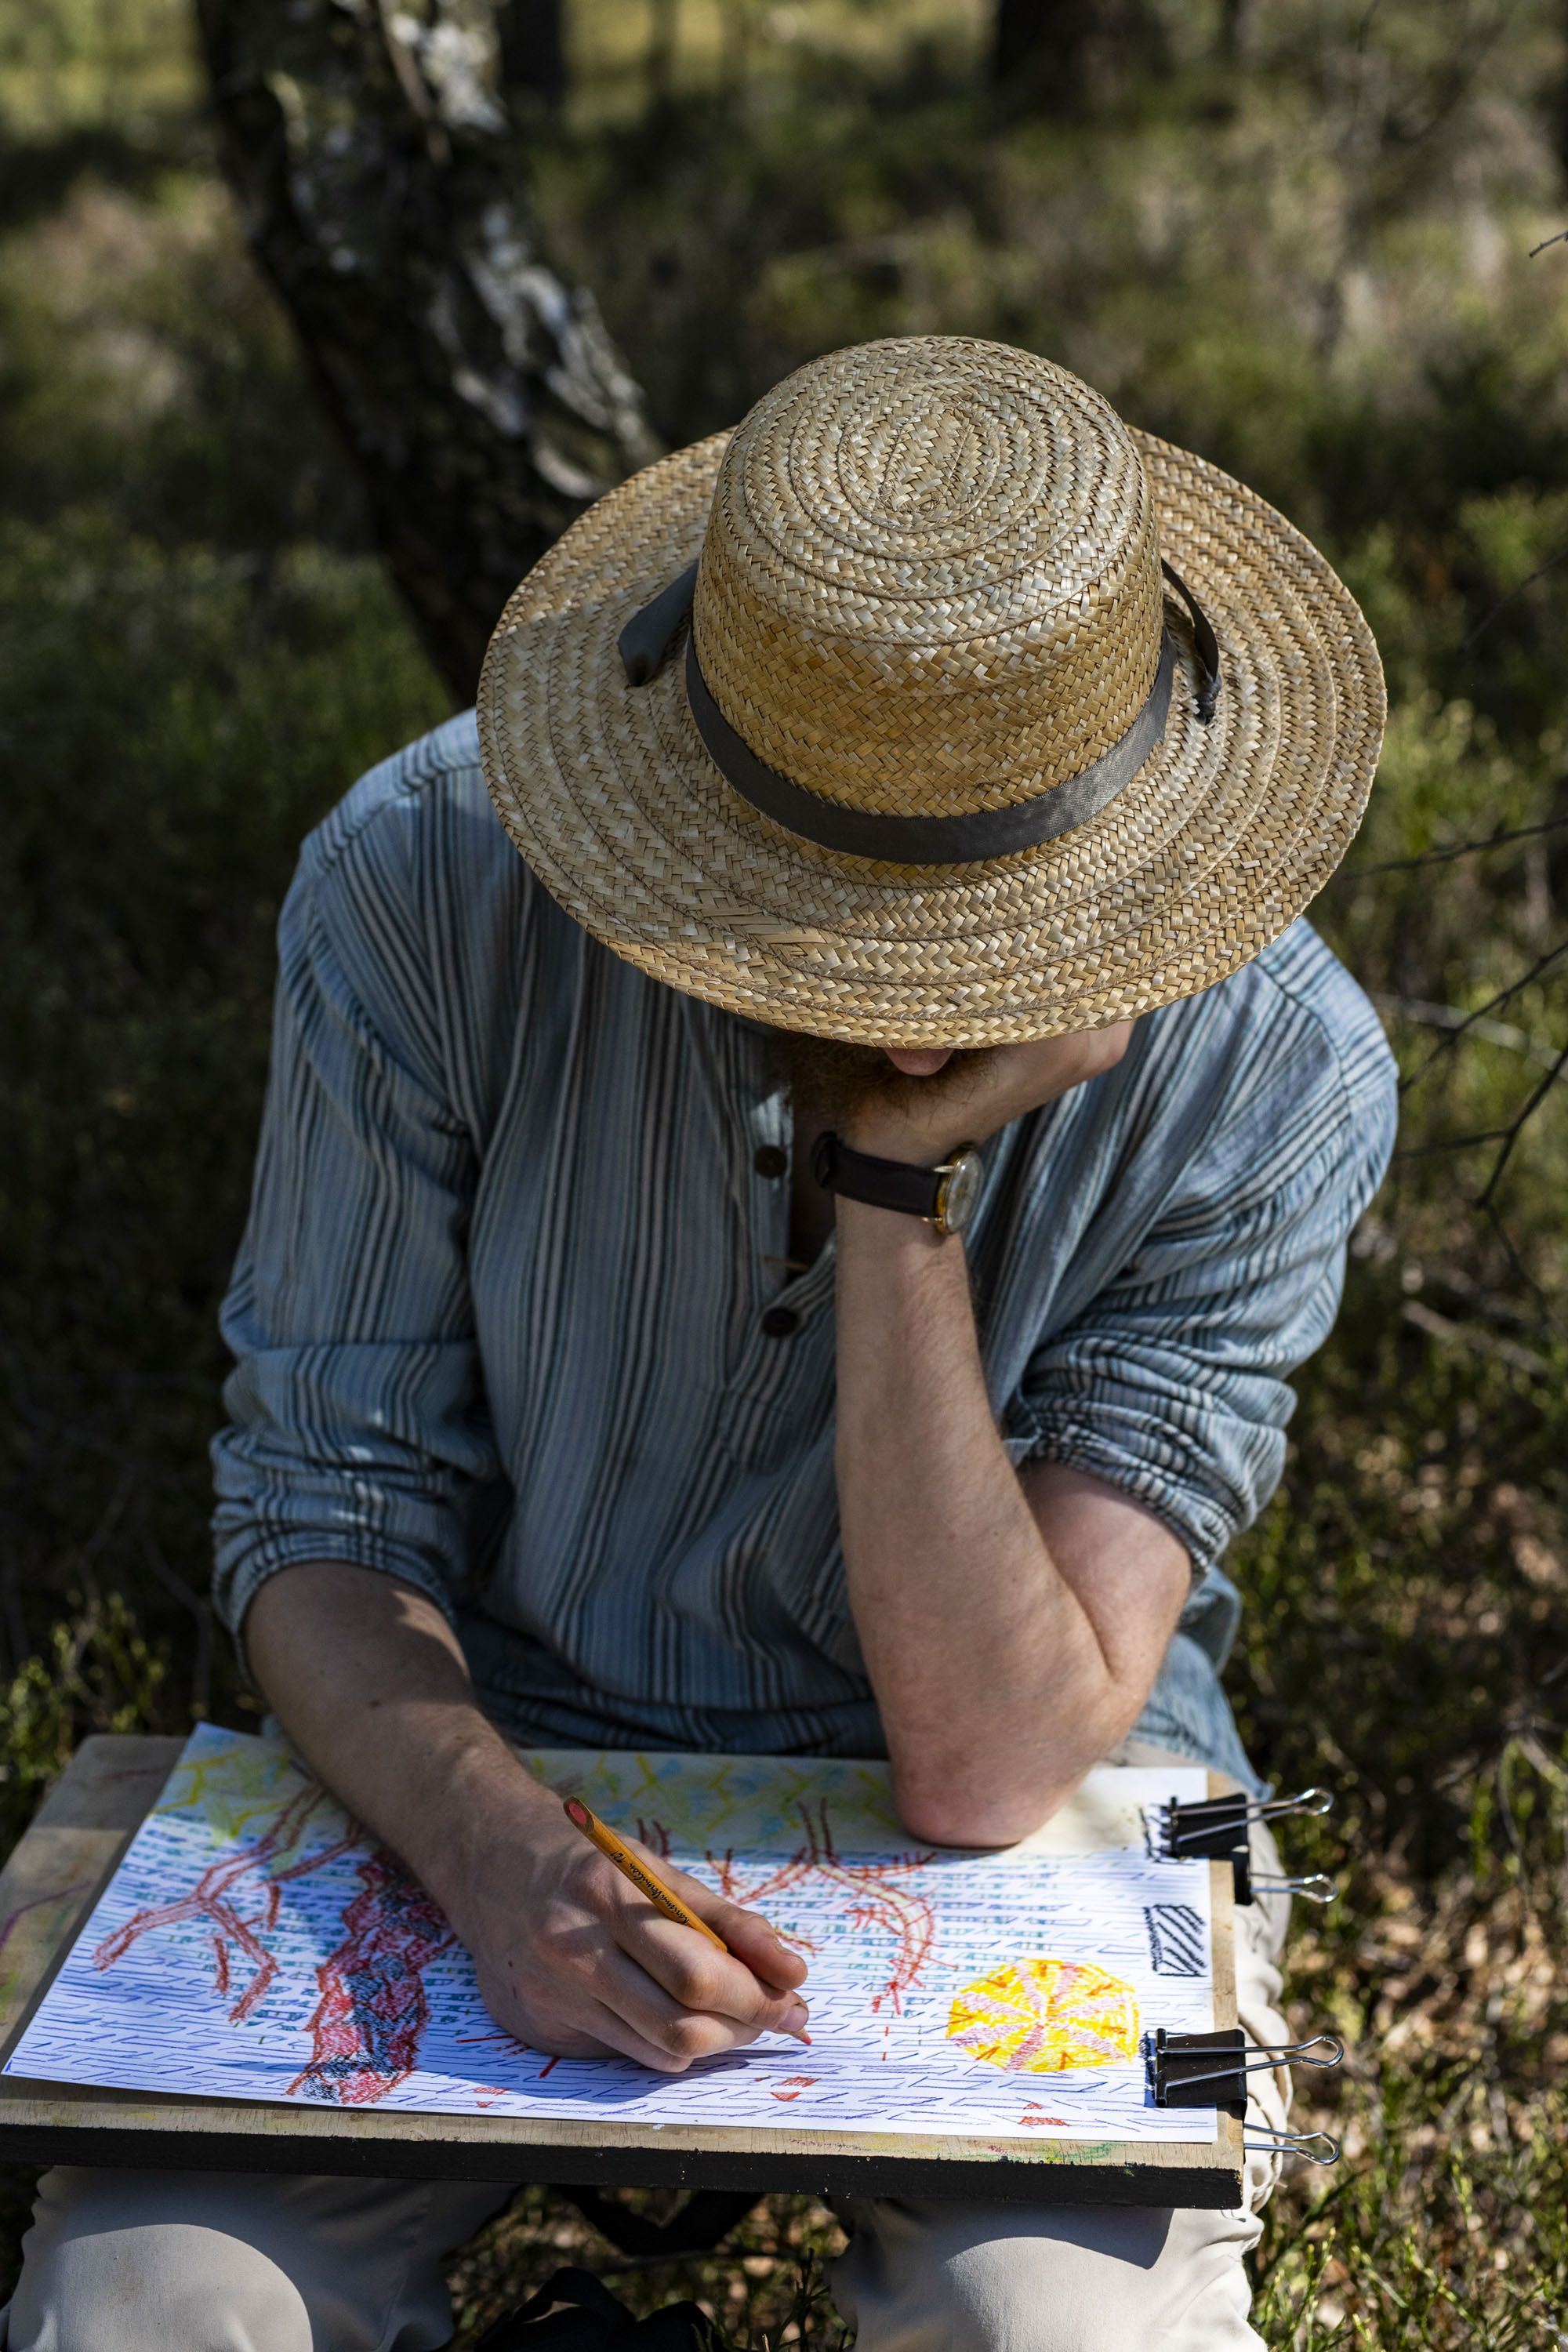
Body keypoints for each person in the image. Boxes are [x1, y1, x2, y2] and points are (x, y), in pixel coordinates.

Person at [3, 336, 1396, 2350]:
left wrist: (900, 1198)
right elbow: (326, 1517)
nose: (927, 1016)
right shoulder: (420, 886)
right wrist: (493, 1854)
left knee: (1067, 2339)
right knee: (145, 2306)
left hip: (1044, 1827)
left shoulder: (1277, 1067)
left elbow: (995, 1758)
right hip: (490, 1753)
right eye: (840, 930)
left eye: (993, 936)